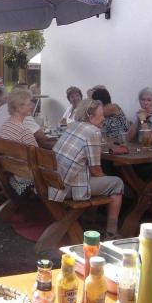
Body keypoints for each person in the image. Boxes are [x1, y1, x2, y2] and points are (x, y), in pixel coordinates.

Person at [51, 99, 124, 237]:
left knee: (103, 180)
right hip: (66, 188)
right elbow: (95, 170)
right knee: (117, 183)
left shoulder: (73, 126)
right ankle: (111, 232)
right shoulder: (93, 132)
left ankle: (89, 221)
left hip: (54, 182)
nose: (104, 118)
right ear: (90, 117)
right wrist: (106, 180)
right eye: (101, 115)